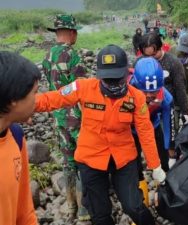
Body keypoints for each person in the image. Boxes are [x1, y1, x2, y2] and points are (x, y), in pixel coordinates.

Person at [35, 44, 167, 225]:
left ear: (125, 75)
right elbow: (53, 98)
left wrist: (155, 165)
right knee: (100, 213)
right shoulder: (83, 88)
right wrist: (24, 104)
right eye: (108, 79)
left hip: (123, 157)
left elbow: (145, 131)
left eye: (117, 80)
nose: (112, 84)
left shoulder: (136, 97)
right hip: (91, 157)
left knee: (133, 206)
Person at [43, 14, 90, 223]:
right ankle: (84, 210)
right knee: (83, 159)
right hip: (76, 117)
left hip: (58, 116)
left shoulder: (48, 56)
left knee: (68, 161)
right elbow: (83, 89)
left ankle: (70, 204)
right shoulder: (73, 56)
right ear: (72, 33)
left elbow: (52, 89)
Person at [0, 51, 40, 225]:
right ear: (13, 99)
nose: (36, 100)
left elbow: (24, 212)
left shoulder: (15, 137)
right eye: (34, 92)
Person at [130, 57, 175, 206]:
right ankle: (141, 203)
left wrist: (170, 148)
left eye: (154, 92)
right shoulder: (126, 90)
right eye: (145, 92)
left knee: (162, 160)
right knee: (134, 165)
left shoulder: (166, 98)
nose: (149, 96)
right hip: (131, 131)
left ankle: (163, 196)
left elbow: (168, 124)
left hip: (153, 126)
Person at [139, 32, 188, 133]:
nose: (151, 59)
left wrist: (185, 111)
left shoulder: (173, 63)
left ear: (160, 48)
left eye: (154, 55)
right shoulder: (140, 63)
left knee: (169, 137)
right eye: (146, 56)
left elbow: (180, 88)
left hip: (169, 107)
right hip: (147, 107)